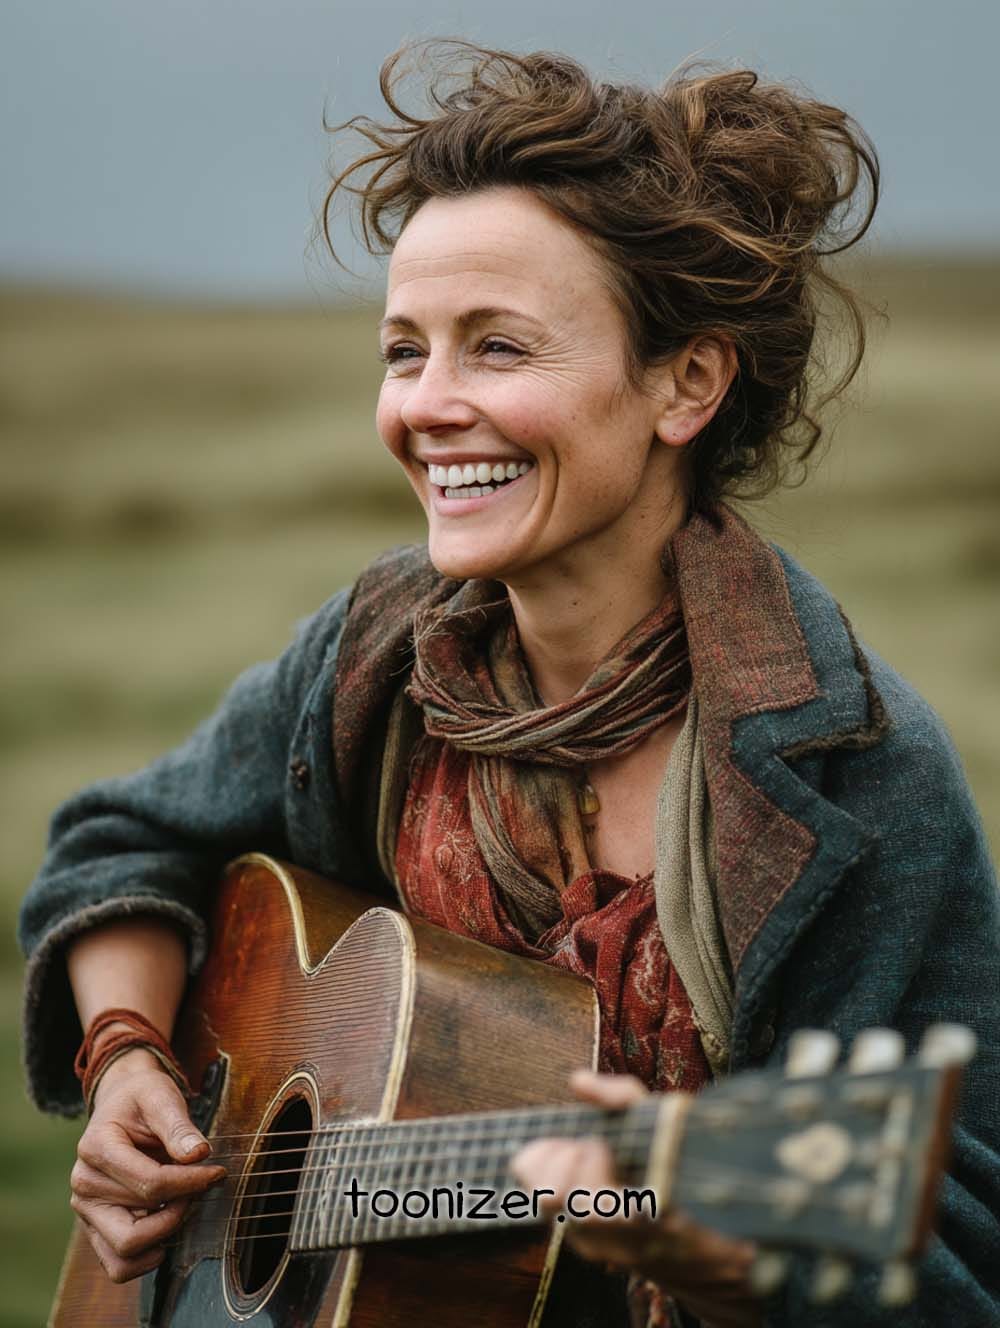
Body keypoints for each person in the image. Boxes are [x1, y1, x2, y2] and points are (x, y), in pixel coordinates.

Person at [19, 41, 1000, 1328]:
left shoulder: (854, 772)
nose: (428, 405)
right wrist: (127, 1060)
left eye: (496, 347)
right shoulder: (378, 651)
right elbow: (121, 840)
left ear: (685, 382)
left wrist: (727, 1248)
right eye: (403, 350)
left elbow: (955, 1257)